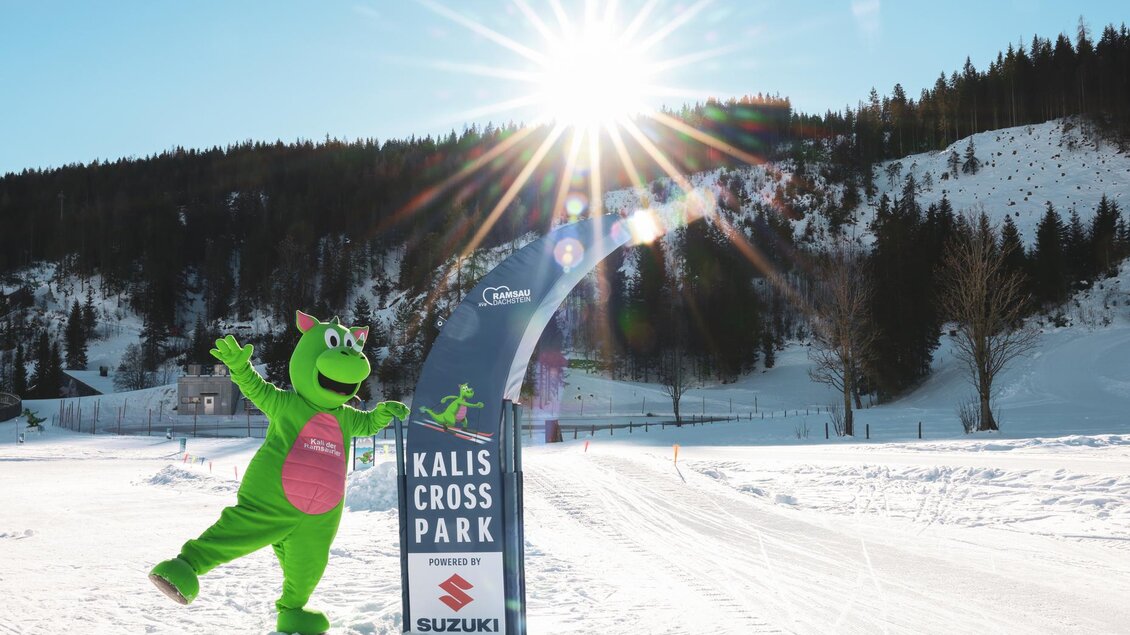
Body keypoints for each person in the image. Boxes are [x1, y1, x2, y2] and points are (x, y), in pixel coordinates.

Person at [149, 310, 409, 635]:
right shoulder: (288, 404)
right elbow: (257, 389)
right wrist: (241, 367)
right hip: (273, 499)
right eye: (333, 346)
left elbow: (368, 424)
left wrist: (383, 412)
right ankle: (185, 567)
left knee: (309, 566)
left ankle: (293, 609)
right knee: (236, 533)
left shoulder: (346, 417)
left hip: (321, 516)